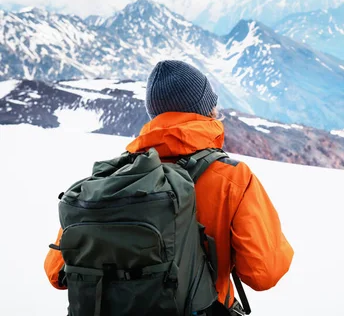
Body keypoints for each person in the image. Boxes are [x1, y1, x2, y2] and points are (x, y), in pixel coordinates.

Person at [44, 60, 294, 315]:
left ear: (154, 115)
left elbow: (55, 273)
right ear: (206, 110)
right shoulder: (232, 178)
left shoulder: (114, 179)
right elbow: (264, 274)